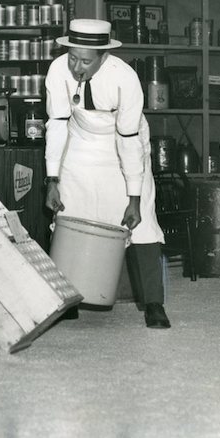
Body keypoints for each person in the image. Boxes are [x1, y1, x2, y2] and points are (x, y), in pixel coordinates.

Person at [44, 18, 170, 329]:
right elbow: (57, 127)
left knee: (140, 225)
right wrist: (53, 180)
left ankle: (154, 303)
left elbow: (128, 142)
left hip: (122, 143)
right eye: (72, 57)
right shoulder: (57, 70)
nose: (76, 67)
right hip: (80, 143)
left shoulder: (125, 79)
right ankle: (67, 298)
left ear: (104, 57)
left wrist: (134, 198)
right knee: (68, 214)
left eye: (85, 61)